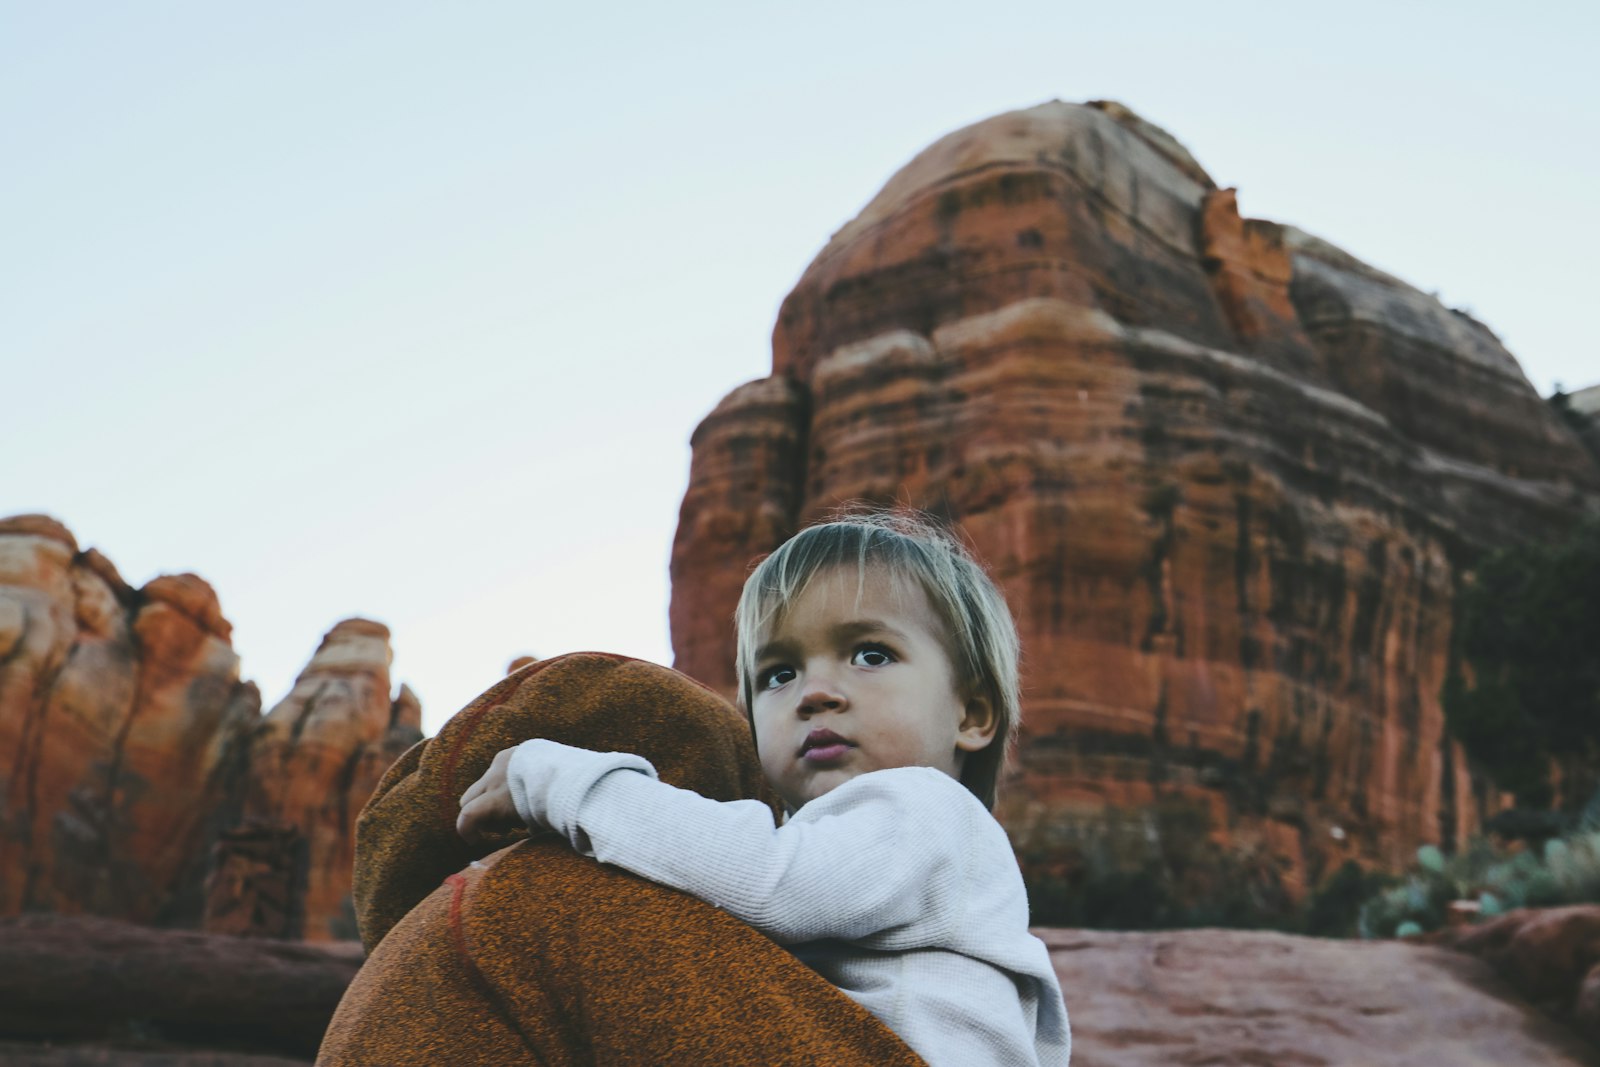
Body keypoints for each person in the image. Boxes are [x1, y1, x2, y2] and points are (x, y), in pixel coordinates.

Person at [458, 512, 1072, 1066]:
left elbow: (773, 881)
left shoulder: (926, 807)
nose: (815, 693)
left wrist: (562, 785)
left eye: (870, 654)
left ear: (971, 715)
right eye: (779, 673)